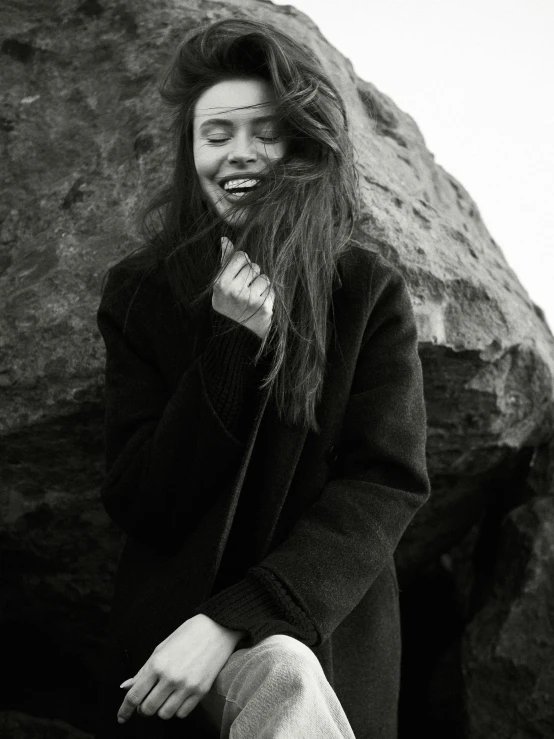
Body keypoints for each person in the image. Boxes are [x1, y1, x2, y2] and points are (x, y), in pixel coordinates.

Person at [94, 17, 431, 739]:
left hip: (320, 637)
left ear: (300, 147)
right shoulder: (141, 293)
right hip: (172, 659)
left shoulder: (364, 290)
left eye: (263, 132)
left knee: (284, 665)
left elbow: (385, 483)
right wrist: (227, 344)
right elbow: (141, 498)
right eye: (215, 134)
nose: (237, 153)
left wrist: (234, 616)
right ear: (191, 153)